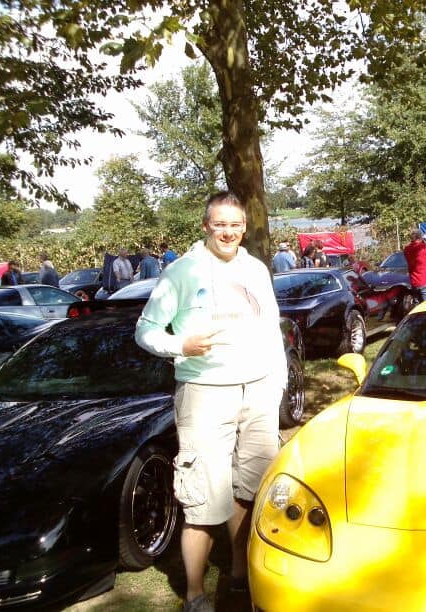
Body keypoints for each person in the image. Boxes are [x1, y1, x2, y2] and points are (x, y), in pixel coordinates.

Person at [135, 191, 286, 612]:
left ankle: (240, 578)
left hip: (258, 391)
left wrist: (276, 386)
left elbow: (272, 331)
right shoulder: (182, 272)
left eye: (235, 225)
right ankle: (195, 596)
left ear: (244, 226)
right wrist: (179, 343)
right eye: (220, 224)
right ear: (206, 226)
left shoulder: (256, 269)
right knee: (202, 500)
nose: (229, 232)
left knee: (251, 493)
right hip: (204, 394)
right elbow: (145, 331)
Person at [403, 229, 426, 303]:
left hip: (414, 282)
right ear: (421, 237)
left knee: (417, 307)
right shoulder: (423, 247)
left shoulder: (406, 249)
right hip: (425, 281)